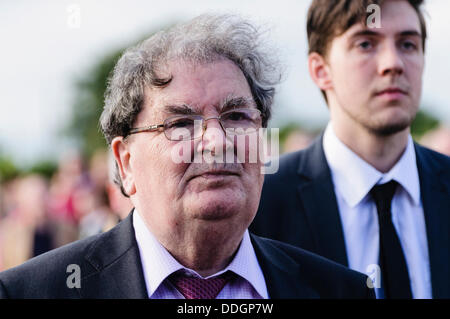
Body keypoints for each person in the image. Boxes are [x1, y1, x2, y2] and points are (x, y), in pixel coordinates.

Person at [0, 14, 373, 299]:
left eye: (236, 117)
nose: (216, 140)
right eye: (181, 123)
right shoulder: (33, 291)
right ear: (126, 162)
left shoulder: (340, 290)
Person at [251, 0, 450, 299]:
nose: (392, 63)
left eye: (408, 44)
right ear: (320, 70)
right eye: (366, 44)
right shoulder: (262, 205)